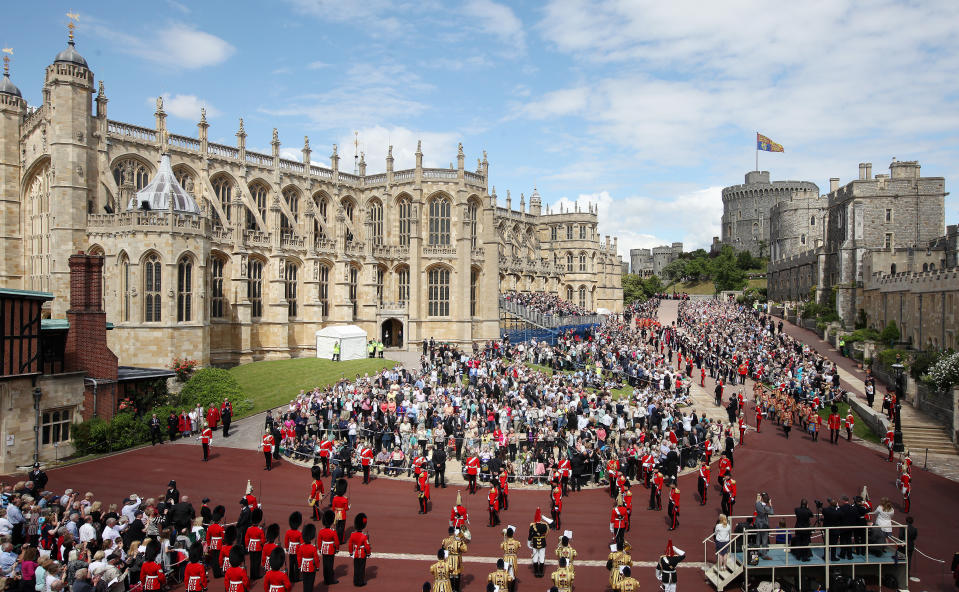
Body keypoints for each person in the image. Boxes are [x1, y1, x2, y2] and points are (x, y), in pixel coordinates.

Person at [347, 514, 371, 587]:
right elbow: (367, 546)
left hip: (356, 553)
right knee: (361, 568)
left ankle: (355, 581)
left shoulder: (352, 534)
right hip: (362, 554)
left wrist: (351, 552)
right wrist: (368, 553)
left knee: (356, 568)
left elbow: (350, 545)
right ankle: (360, 582)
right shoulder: (364, 536)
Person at [317, 510, 339, 585]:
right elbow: (336, 542)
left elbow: (319, 541)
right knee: (330, 565)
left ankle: (326, 579)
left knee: (325, 565)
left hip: (324, 549)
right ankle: (330, 580)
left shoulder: (321, 531)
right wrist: (337, 549)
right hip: (331, 549)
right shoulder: (333, 531)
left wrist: (320, 549)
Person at [441, 527, 467, 592]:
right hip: (457, 560)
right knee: (457, 575)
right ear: (454, 532)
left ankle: (451, 589)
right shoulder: (458, 541)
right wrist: (462, 540)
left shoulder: (445, 541)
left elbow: (443, 550)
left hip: (448, 559)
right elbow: (465, 549)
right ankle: (457, 590)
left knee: (450, 575)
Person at [295, 523, 318, 592]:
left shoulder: (301, 547)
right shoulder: (313, 547)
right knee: (311, 582)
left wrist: (299, 566)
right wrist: (317, 566)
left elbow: (299, 558)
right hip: (311, 566)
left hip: (304, 566)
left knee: (305, 582)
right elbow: (316, 559)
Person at [528, 508, 549, 578]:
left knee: (535, 557)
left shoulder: (532, 526)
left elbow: (530, 536)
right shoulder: (545, 525)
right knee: (542, 557)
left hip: (535, 543)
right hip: (542, 542)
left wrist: (528, 543)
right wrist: (544, 518)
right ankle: (541, 572)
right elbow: (548, 530)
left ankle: (536, 572)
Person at [245, 508, 265, 580]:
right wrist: (261, 543)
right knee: (257, 562)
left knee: (252, 561)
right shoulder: (260, 529)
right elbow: (263, 539)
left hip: (251, 546)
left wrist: (247, 546)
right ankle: (256, 575)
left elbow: (246, 538)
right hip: (257, 547)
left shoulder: (249, 529)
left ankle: (252, 575)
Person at [284, 512, 303, 584]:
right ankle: (296, 577)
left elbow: (286, 541)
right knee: (297, 564)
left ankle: (291, 577)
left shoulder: (288, 532)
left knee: (291, 564)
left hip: (291, 549)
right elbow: (301, 542)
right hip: (297, 549)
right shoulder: (299, 533)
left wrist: (287, 548)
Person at [754, 493, 773, 559]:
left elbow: (756, 502)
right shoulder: (766, 508)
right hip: (764, 524)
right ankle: (764, 555)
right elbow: (772, 512)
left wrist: (758, 498)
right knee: (764, 540)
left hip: (758, 523)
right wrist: (770, 504)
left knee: (758, 538)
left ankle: (757, 552)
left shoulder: (758, 504)